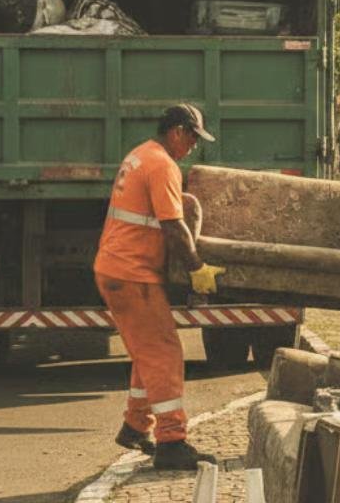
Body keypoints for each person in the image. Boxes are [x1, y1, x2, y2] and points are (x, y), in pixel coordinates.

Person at [93, 103, 227, 470]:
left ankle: (136, 426)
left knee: (146, 351)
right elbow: (173, 225)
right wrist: (197, 268)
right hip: (131, 273)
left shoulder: (140, 154)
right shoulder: (162, 164)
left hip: (119, 269)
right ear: (178, 131)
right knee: (165, 352)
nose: (195, 147)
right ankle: (171, 442)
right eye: (194, 139)